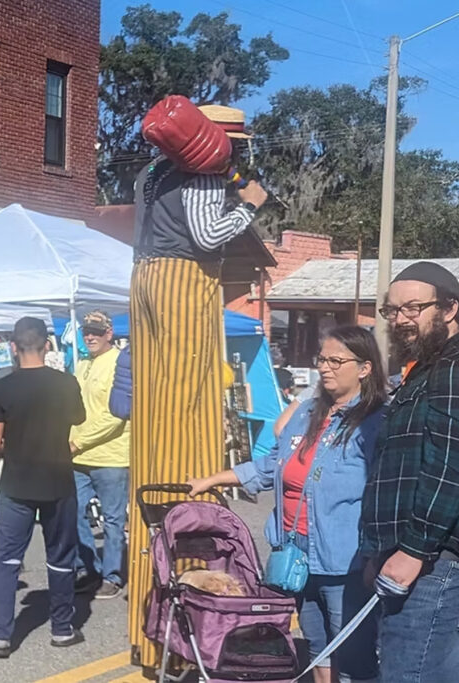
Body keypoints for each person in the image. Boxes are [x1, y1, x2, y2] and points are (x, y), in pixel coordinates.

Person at [127, 103, 269, 667]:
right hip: (185, 280)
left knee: (155, 416)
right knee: (191, 413)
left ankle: (151, 617)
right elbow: (209, 236)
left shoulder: (152, 172)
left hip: (144, 279)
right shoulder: (204, 172)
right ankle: (196, 620)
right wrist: (250, 206)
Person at [189, 326, 385, 683]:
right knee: (317, 644)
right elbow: (270, 466)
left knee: (353, 654)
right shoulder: (306, 411)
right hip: (295, 555)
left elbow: (385, 493)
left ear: (365, 368)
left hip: (346, 562)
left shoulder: (376, 422)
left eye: (336, 360)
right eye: (322, 359)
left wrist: (379, 554)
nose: (325, 367)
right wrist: (212, 480)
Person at [362, 262, 459, 682]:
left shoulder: (451, 368)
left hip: (432, 562)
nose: (401, 320)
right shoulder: (425, 368)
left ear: (450, 309)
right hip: (414, 557)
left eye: (414, 308)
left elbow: (449, 464)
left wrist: (413, 550)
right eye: (392, 311)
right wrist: (379, 550)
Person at [0, 317, 87, 659]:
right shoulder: (66, 383)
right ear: (47, 345)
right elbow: (77, 421)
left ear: (14, 347)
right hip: (58, 479)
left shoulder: (1, 388)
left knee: (7, 559)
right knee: (60, 558)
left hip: (17, 482)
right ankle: (61, 628)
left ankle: (1, 636)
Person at [70, 311, 129, 600]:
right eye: (86, 332)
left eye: (95, 331)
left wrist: (77, 442)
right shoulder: (81, 364)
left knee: (113, 519)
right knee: (71, 511)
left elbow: (115, 416)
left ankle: (112, 575)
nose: (90, 336)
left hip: (111, 456)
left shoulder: (121, 362)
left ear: (109, 333)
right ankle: (89, 568)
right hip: (78, 455)